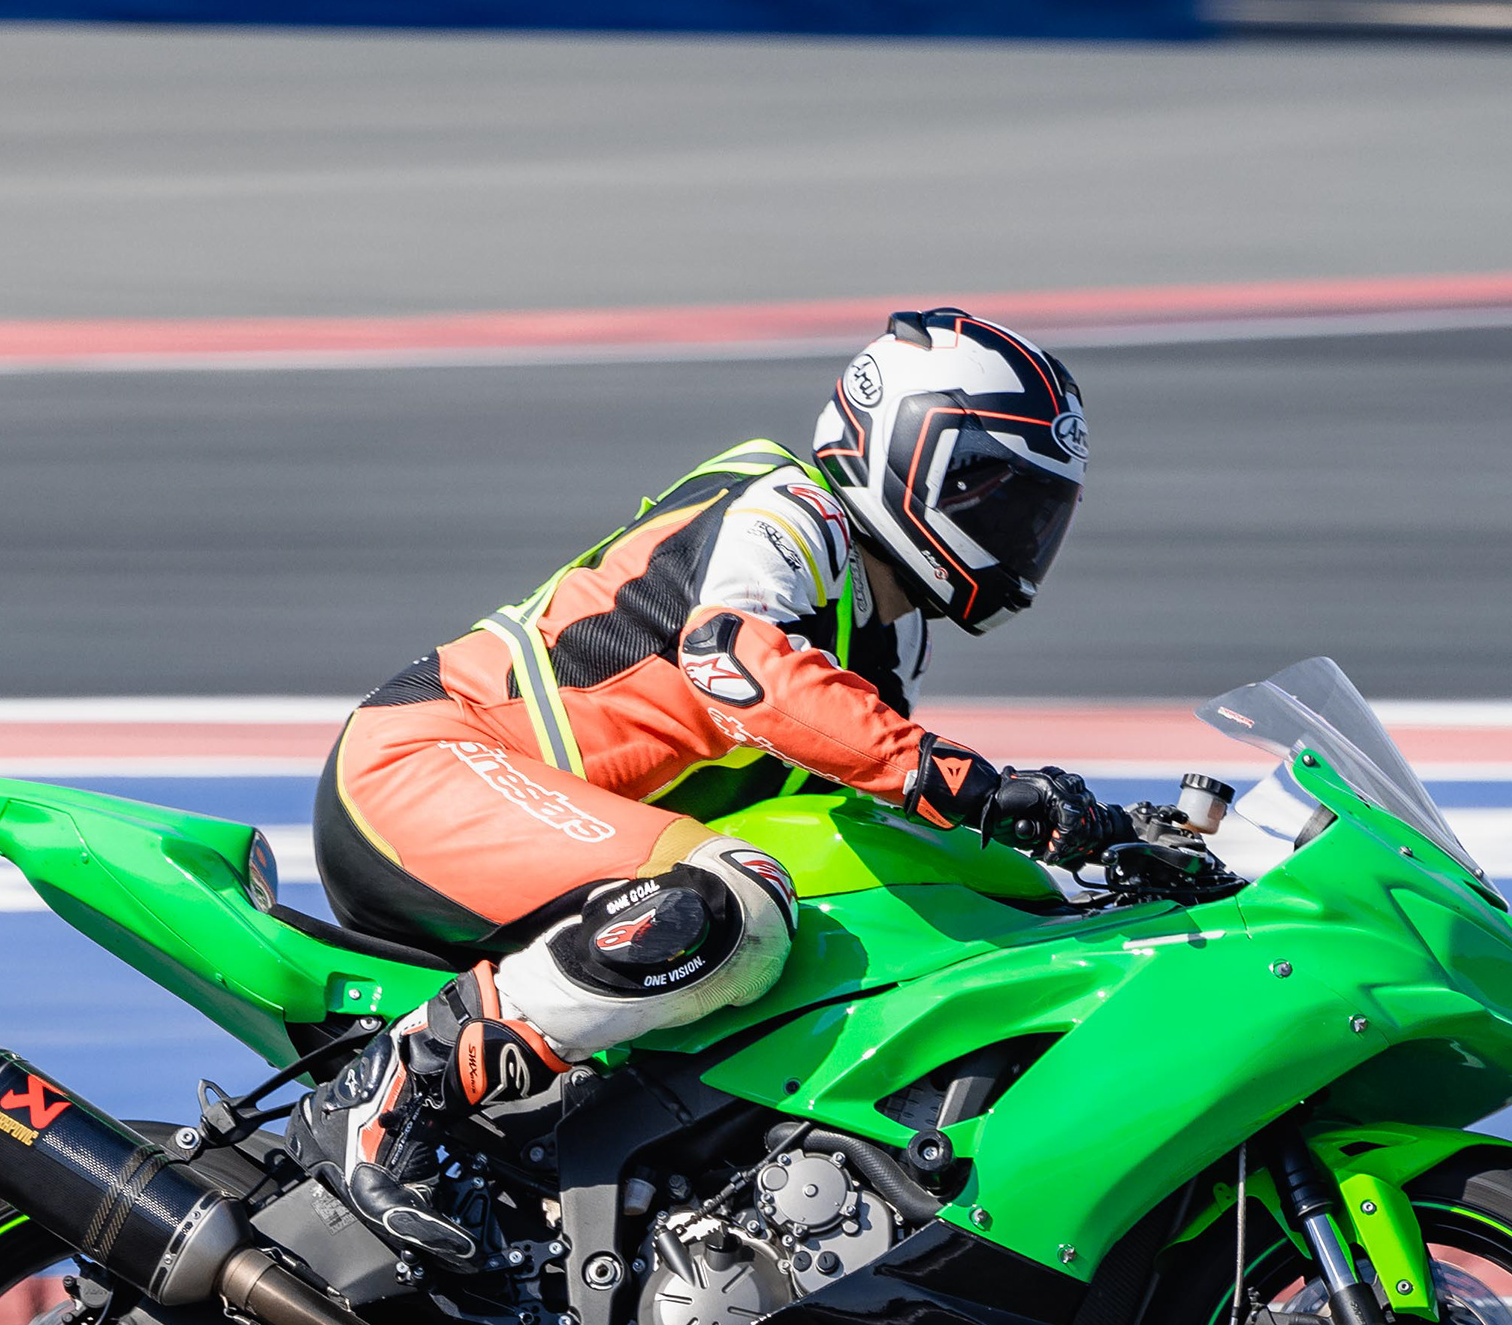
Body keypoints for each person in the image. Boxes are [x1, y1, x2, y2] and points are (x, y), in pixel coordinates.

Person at [301, 306, 1122, 1261]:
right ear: (908, 449)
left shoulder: (883, 632)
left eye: (1039, 511)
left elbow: (870, 815)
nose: (1019, 532)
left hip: (559, 835)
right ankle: (397, 1093)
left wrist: (1084, 872)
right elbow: (736, 659)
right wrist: (973, 787)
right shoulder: (787, 510)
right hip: (429, 763)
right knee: (735, 904)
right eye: (994, 492)